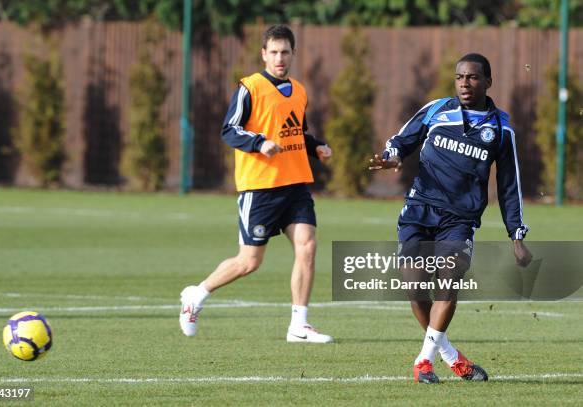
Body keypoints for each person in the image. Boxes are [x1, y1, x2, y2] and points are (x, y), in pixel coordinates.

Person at [370, 53, 533, 383]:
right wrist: (391, 157)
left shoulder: (501, 129)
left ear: (488, 81)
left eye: (472, 77)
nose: (464, 83)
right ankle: (451, 356)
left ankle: (423, 361)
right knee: (414, 288)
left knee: (448, 282)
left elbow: (509, 185)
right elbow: (403, 139)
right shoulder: (436, 110)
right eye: (460, 77)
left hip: (460, 219)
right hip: (420, 209)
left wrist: (516, 235)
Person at [179, 25, 333, 343]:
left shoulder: (299, 91)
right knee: (250, 261)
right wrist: (259, 143)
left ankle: (299, 325)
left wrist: (316, 146)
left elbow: (296, 132)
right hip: (260, 187)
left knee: (307, 246)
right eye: (273, 52)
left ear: (293, 54)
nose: (279, 58)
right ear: (263, 54)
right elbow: (229, 129)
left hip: (295, 184)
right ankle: (197, 295)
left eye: (285, 52)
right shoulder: (249, 88)